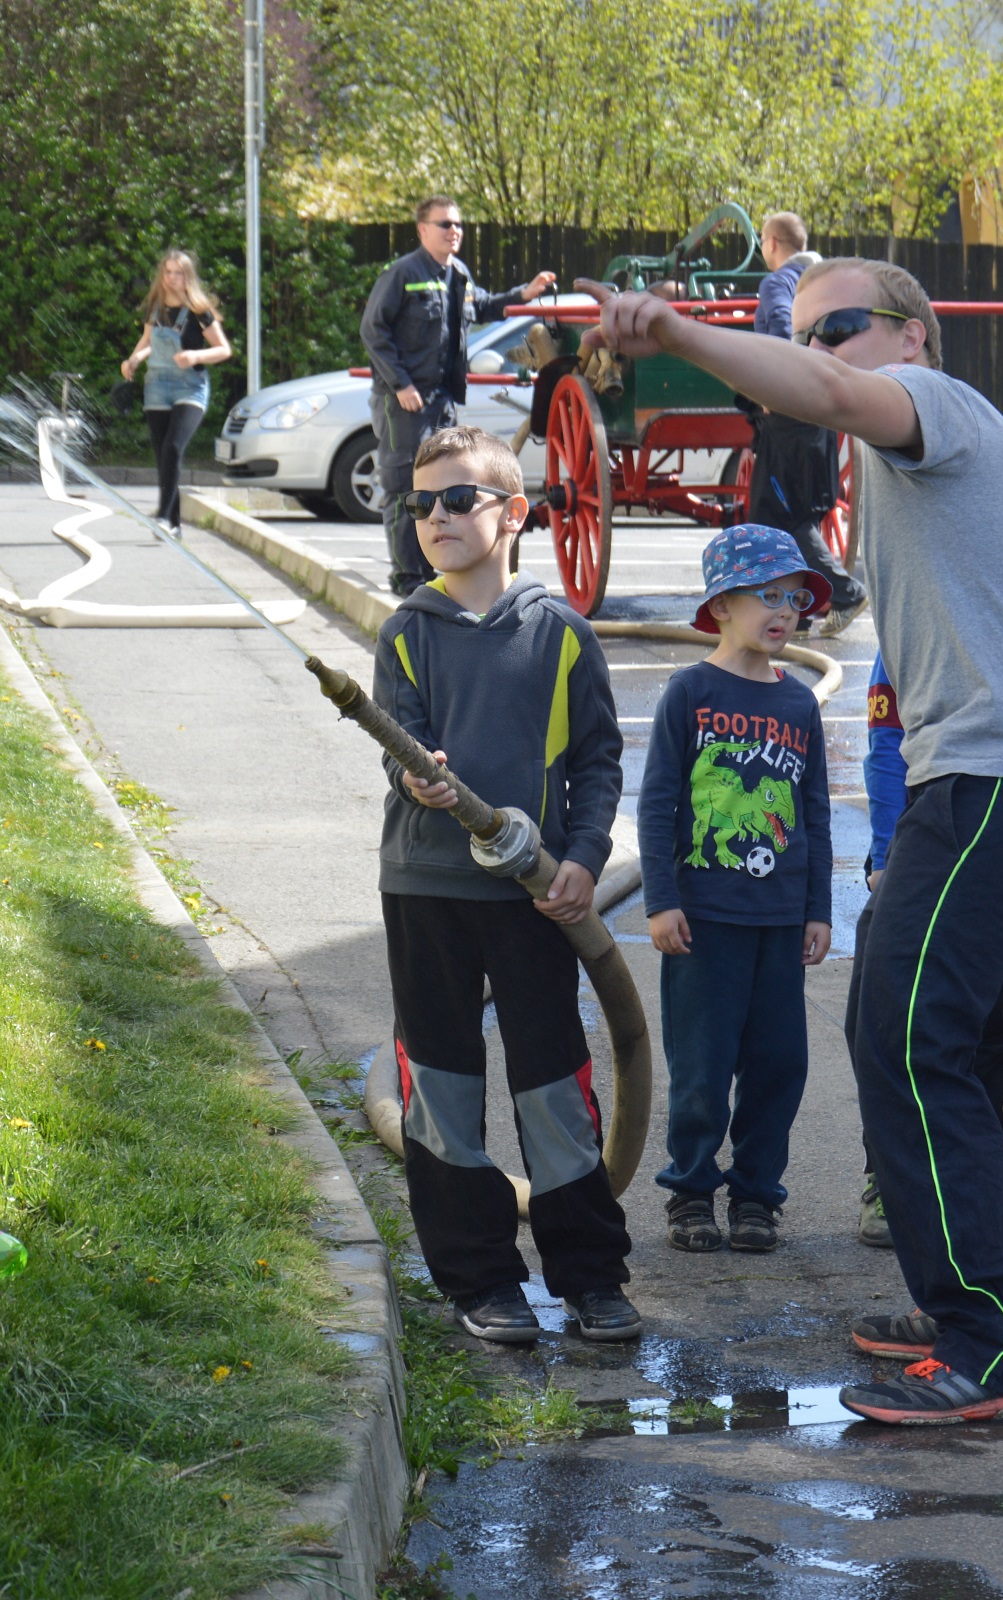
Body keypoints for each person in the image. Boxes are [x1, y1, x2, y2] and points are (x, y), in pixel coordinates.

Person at [580, 255, 1003, 1425]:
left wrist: (676, 330)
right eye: (800, 332)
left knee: (907, 1040)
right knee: (921, 1041)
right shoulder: (900, 460)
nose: (815, 352)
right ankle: (963, 1301)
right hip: (988, 781)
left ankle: (994, 1347)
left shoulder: (933, 405)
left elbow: (822, 393)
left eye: (839, 327)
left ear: (914, 335)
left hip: (1002, 781)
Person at [372, 424, 641, 1345]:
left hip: (535, 897)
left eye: (457, 499)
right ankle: (481, 1280)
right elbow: (398, 744)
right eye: (420, 503)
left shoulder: (560, 635)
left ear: (513, 513)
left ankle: (590, 1278)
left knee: (552, 1086)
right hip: (426, 890)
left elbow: (597, 762)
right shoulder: (406, 632)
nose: (435, 518)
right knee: (440, 1085)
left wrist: (583, 860)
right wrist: (417, 775)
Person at [853, 444, 1003, 1251]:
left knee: (985, 1023)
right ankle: (889, 1179)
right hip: (924, 846)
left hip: (999, 852)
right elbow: (884, 749)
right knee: (895, 1022)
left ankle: (973, 1168)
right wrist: (883, 855)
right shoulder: (920, 618)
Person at [639, 525, 834, 1256]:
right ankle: (691, 1191)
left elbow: (813, 813)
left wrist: (817, 909)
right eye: (766, 595)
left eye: (794, 599)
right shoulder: (690, 691)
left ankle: (756, 1196)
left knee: (778, 1066)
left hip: (779, 921)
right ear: (721, 605)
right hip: (704, 920)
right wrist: (661, 899)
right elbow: (658, 803)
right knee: (701, 1066)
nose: (783, 611)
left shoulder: (800, 705)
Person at [361, 197, 557, 596]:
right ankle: (408, 578)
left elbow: (482, 306)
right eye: (445, 224)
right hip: (404, 401)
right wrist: (400, 384)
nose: (454, 231)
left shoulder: (458, 273)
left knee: (442, 486)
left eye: (458, 225)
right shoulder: (403, 274)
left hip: (442, 399)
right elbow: (373, 331)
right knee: (404, 487)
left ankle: (433, 575)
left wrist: (524, 292)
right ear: (423, 230)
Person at [744, 212, 864, 613]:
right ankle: (799, 610)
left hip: (788, 413)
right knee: (796, 513)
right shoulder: (828, 283)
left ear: (772, 243)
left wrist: (779, 378)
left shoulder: (777, 283)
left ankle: (846, 594)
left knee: (780, 515)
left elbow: (782, 325)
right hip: (821, 414)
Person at [117, 250, 232, 535]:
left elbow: (224, 350)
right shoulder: (155, 307)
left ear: (187, 276)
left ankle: (162, 516)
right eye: (167, 272)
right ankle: (174, 523)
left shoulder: (199, 310)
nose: (171, 278)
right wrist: (133, 359)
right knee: (163, 455)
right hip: (156, 384)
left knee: (173, 447)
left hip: (191, 386)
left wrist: (195, 356)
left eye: (178, 273)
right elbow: (147, 340)